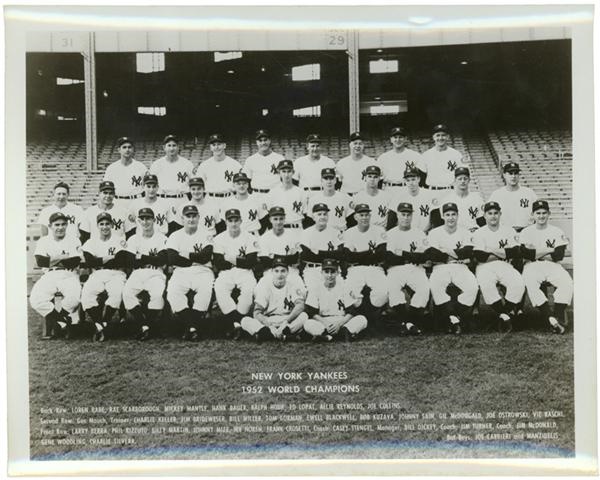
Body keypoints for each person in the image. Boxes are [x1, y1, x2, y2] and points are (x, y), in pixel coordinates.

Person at [519, 200, 572, 334]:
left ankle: (558, 314)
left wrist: (536, 252)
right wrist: (549, 250)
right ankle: (549, 316)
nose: (541, 216)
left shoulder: (556, 231)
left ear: (549, 214)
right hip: (532, 265)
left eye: (544, 213)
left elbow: (559, 255)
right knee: (530, 282)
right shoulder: (526, 232)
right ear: (532, 214)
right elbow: (526, 254)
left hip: (552, 265)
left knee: (567, 282)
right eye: (538, 213)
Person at [472, 201, 525, 333]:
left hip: (505, 265)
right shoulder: (479, 233)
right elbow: (480, 256)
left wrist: (491, 250)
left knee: (518, 284)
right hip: (485, 266)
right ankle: (506, 314)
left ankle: (503, 315)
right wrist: (503, 253)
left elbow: (516, 251)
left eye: (496, 213)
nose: (493, 216)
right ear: (484, 216)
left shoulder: (509, 230)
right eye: (490, 213)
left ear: (500, 214)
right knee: (486, 285)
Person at [426, 202, 478, 334]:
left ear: (458, 216)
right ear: (443, 216)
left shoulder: (464, 232)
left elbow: (468, 252)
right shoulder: (434, 233)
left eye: (453, 214)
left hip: (460, 267)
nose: (450, 218)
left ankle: (452, 316)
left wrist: (446, 250)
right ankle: (456, 318)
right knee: (436, 287)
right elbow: (433, 254)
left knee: (472, 287)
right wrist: (456, 254)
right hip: (440, 267)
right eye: (447, 215)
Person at [166, 205, 214, 341]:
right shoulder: (175, 235)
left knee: (205, 292)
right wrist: (195, 258)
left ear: (199, 217)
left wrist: (185, 254)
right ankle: (193, 326)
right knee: (173, 292)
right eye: (188, 216)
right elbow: (172, 258)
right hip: (181, 271)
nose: (191, 219)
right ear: (182, 218)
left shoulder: (206, 233)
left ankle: (190, 326)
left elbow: (206, 256)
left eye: (194, 216)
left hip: (203, 271)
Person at [30, 212, 82, 339]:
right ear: (50, 226)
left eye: (63, 224)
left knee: (75, 298)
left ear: (67, 225)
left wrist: (51, 259)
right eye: (57, 224)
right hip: (50, 274)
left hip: (69, 274)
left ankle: (60, 321)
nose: (60, 227)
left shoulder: (74, 239)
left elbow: (74, 261)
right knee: (36, 300)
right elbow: (41, 262)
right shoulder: (43, 240)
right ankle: (62, 321)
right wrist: (61, 257)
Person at [121, 208, 168, 340]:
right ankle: (146, 325)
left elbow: (163, 259)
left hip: (156, 272)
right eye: (142, 219)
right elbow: (130, 261)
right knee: (127, 294)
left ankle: (146, 325)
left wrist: (140, 257)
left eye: (148, 218)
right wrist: (151, 258)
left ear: (154, 220)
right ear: (138, 221)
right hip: (138, 273)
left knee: (157, 295)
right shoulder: (133, 239)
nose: (145, 222)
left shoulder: (161, 238)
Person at [80, 212, 128, 342]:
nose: (105, 227)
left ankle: (104, 322)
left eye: (107, 224)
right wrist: (109, 258)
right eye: (101, 224)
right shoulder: (91, 242)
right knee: (87, 294)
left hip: (116, 273)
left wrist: (99, 259)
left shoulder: (119, 240)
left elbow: (122, 261)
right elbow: (90, 262)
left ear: (112, 225)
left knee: (117, 293)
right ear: (97, 226)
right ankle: (99, 323)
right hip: (98, 273)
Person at [384, 202, 430, 335]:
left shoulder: (419, 233)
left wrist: (403, 254)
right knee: (393, 288)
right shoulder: (390, 234)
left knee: (424, 288)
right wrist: (412, 256)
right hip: (395, 269)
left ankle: (407, 321)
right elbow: (389, 258)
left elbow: (424, 257)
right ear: (397, 215)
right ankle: (409, 322)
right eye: (403, 214)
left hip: (415, 268)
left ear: (412, 216)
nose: (405, 217)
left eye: (408, 215)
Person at [212, 208, 259, 338]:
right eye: (230, 220)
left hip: (245, 272)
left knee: (249, 291)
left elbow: (251, 262)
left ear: (241, 221)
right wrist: (240, 260)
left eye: (236, 220)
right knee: (220, 288)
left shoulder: (249, 237)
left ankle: (234, 323)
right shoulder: (219, 238)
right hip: (226, 272)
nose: (233, 223)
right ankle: (237, 324)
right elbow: (219, 263)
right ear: (226, 222)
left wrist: (230, 258)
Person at [241, 257, 307, 341]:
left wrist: (286, 321)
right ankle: (283, 335)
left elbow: (300, 305)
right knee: (245, 321)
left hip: (287, 320)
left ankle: (270, 334)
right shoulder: (265, 287)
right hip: (269, 320)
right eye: (277, 271)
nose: (280, 275)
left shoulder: (292, 285)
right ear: (272, 272)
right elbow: (257, 312)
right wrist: (270, 326)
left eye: (283, 271)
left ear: (287, 272)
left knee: (304, 316)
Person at [340, 203, 388, 319]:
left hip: (375, 268)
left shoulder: (379, 230)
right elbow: (348, 256)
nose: (364, 217)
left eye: (367, 215)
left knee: (383, 293)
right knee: (349, 293)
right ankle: (362, 316)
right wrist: (370, 252)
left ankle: (371, 315)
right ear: (355, 217)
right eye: (361, 215)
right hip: (355, 269)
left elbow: (381, 254)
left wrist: (358, 254)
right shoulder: (349, 232)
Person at [303, 258, 367, 342]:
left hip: (341, 320)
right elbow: (312, 312)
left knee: (362, 319)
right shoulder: (315, 288)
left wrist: (339, 324)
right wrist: (325, 324)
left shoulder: (344, 287)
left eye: (332, 272)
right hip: (323, 321)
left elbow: (351, 311)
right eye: (326, 272)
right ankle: (340, 335)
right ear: (321, 273)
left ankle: (327, 336)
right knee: (307, 323)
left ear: (337, 273)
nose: (330, 275)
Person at [300, 203, 343, 291]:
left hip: (332, 270)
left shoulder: (335, 232)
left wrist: (318, 252)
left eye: (325, 214)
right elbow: (306, 256)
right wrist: (330, 254)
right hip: (313, 270)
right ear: (313, 216)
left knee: (339, 292)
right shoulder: (306, 233)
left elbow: (340, 254)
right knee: (312, 293)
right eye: (319, 214)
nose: (322, 217)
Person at [418, 124, 467, 201]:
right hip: (432, 192)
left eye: (443, 135)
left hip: (450, 191)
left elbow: (463, 175)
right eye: (438, 135)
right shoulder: (426, 155)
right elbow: (421, 179)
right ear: (433, 137)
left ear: (448, 137)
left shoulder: (456, 154)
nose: (440, 138)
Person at [149, 134, 194, 215]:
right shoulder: (156, 164)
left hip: (181, 199)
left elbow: (193, 184)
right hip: (162, 199)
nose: (172, 148)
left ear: (178, 147)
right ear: (164, 147)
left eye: (174, 145)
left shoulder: (187, 164)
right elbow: (150, 185)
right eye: (169, 145)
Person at [258, 206, 303, 285]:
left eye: (281, 219)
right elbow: (266, 262)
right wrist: (288, 258)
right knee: (262, 288)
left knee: (298, 286)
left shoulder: (293, 235)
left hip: (290, 270)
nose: (278, 222)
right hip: (271, 271)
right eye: (275, 219)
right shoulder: (264, 238)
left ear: (284, 219)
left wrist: (274, 256)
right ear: (270, 219)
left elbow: (296, 259)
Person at [488, 161, 538, 231]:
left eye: (516, 173)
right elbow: (488, 215)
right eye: (510, 173)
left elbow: (538, 213)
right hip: (505, 231)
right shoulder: (497, 194)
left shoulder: (529, 193)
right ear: (504, 175)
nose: (513, 176)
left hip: (526, 230)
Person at [103, 137, 148, 210]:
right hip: (118, 202)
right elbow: (105, 189)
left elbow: (147, 187)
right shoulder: (111, 168)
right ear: (119, 150)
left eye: (129, 147)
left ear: (133, 149)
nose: (127, 150)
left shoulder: (141, 167)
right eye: (124, 147)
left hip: (136, 201)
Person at [194, 133, 242, 199]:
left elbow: (241, 185)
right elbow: (199, 185)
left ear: (224, 145)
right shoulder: (204, 165)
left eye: (219, 144)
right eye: (214, 145)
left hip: (229, 198)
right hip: (210, 199)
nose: (216, 147)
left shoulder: (235, 164)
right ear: (210, 147)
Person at [438, 167, 485, 232]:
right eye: (460, 179)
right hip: (455, 233)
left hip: (473, 232)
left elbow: (482, 221)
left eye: (465, 178)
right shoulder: (447, 199)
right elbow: (443, 222)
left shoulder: (477, 198)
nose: (463, 181)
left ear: (469, 180)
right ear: (455, 180)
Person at [377, 127, 422, 193]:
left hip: (407, 189)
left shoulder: (414, 155)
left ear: (405, 139)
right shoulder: (383, 157)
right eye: (395, 137)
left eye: (400, 137)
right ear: (391, 139)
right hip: (388, 189)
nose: (398, 140)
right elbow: (379, 179)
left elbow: (420, 177)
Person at [263, 160, 306, 229]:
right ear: (279, 173)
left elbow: (306, 214)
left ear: (293, 172)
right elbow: (269, 214)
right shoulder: (272, 193)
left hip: (296, 229)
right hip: (279, 229)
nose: (286, 175)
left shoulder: (301, 192)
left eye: (289, 171)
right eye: (283, 171)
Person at [243, 129, 284, 200]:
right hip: (257, 195)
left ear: (269, 141)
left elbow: (284, 179)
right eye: (260, 140)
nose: (263, 143)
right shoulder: (250, 160)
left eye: (265, 140)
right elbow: (247, 181)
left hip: (275, 195)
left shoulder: (279, 158)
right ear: (256, 142)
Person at [307, 168, 352, 232]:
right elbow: (310, 222)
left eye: (331, 178)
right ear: (321, 181)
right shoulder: (313, 200)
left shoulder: (345, 198)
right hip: (322, 234)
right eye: (326, 179)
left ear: (335, 180)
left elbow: (352, 221)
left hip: (340, 234)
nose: (329, 181)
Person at [351, 165, 394, 229]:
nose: (372, 179)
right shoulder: (357, 197)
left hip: (382, 231)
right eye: (370, 176)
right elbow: (353, 220)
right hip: (365, 231)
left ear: (379, 178)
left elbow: (392, 218)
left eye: (375, 177)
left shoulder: (387, 196)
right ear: (365, 177)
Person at [293, 133, 335, 199]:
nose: (315, 149)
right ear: (307, 147)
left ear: (321, 147)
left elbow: (334, 182)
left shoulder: (329, 162)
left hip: (323, 194)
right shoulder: (299, 162)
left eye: (317, 146)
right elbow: (294, 182)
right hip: (306, 194)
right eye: (312, 146)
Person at [395, 167, 435, 232]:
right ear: (405, 181)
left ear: (418, 179)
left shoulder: (429, 195)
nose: (411, 183)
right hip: (406, 233)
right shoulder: (399, 196)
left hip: (425, 233)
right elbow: (393, 220)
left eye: (413, 179)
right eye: (408, 180)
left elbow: (435, 220)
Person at [336, 131, 377, 196]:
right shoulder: (341, 163)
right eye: (355, 143)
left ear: (363, 145)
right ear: (350, 145)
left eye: (360, 144)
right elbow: (337, 184)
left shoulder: (371, 162)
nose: (357, 146)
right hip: (347, 196)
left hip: (364, 196)